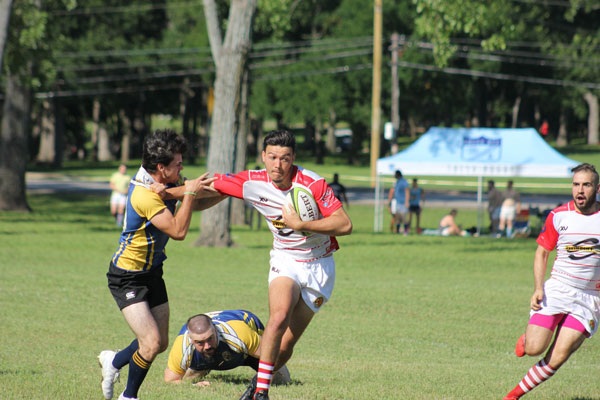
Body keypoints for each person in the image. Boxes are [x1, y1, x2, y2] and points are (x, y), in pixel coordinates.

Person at [211, 129, 352, 400]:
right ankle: (262, 393)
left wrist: (302, 225)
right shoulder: (253, 181)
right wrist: (171, 191)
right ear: (263, 157)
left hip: (319, 266)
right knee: (278, 317)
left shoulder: (313, 183)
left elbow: (344, 224)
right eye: (273, 157)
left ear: (293, 159)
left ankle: (255, 384)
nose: (278, 164)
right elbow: (209, 184)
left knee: (285, 348)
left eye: (285, 158)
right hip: (285, 260)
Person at [97, 129, 222, 400]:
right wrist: (188, 193)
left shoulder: (162, 183)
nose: (182, 167)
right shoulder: (144, 194)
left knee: (161, 343)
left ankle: (114, 361)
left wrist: (230, 191)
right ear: (161, 168)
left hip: (152, 272)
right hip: (126, 277)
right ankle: (128, 396)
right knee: (151, 343)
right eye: (177, 164)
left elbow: (192, 200)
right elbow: (178, 231)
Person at [503, 163, 600, 400]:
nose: (580, 190)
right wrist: (538, 288)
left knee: (558, 356)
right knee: (534, 348)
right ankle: (528, 339)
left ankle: (513, 396)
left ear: (597, 188)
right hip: (558, 289)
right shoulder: (558, 216)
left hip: (590, 298)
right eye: (576, 184)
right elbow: (542, 252)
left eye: (586, 184)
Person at [164, 310, 290, 395]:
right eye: (200, 343)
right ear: (191, 340)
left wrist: (259, 381)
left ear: (215, 330)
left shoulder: (239, 334)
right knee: (188, 379)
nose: (207, 346)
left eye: (210, 339)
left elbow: (273, 357)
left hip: (246, 338)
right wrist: (194, 386)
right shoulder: (182, 345)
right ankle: (206, 367)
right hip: (217, 350)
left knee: (282, 379)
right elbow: (169, 380)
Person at [388, 170, 409, 234]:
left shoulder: (403, 182)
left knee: (404, 218)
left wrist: (407, 201)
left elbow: (407, 191)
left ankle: (405, 232)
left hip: (403, 203)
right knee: (397, 218)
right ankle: (397, 231)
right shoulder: (397, 182)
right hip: (397, 202)